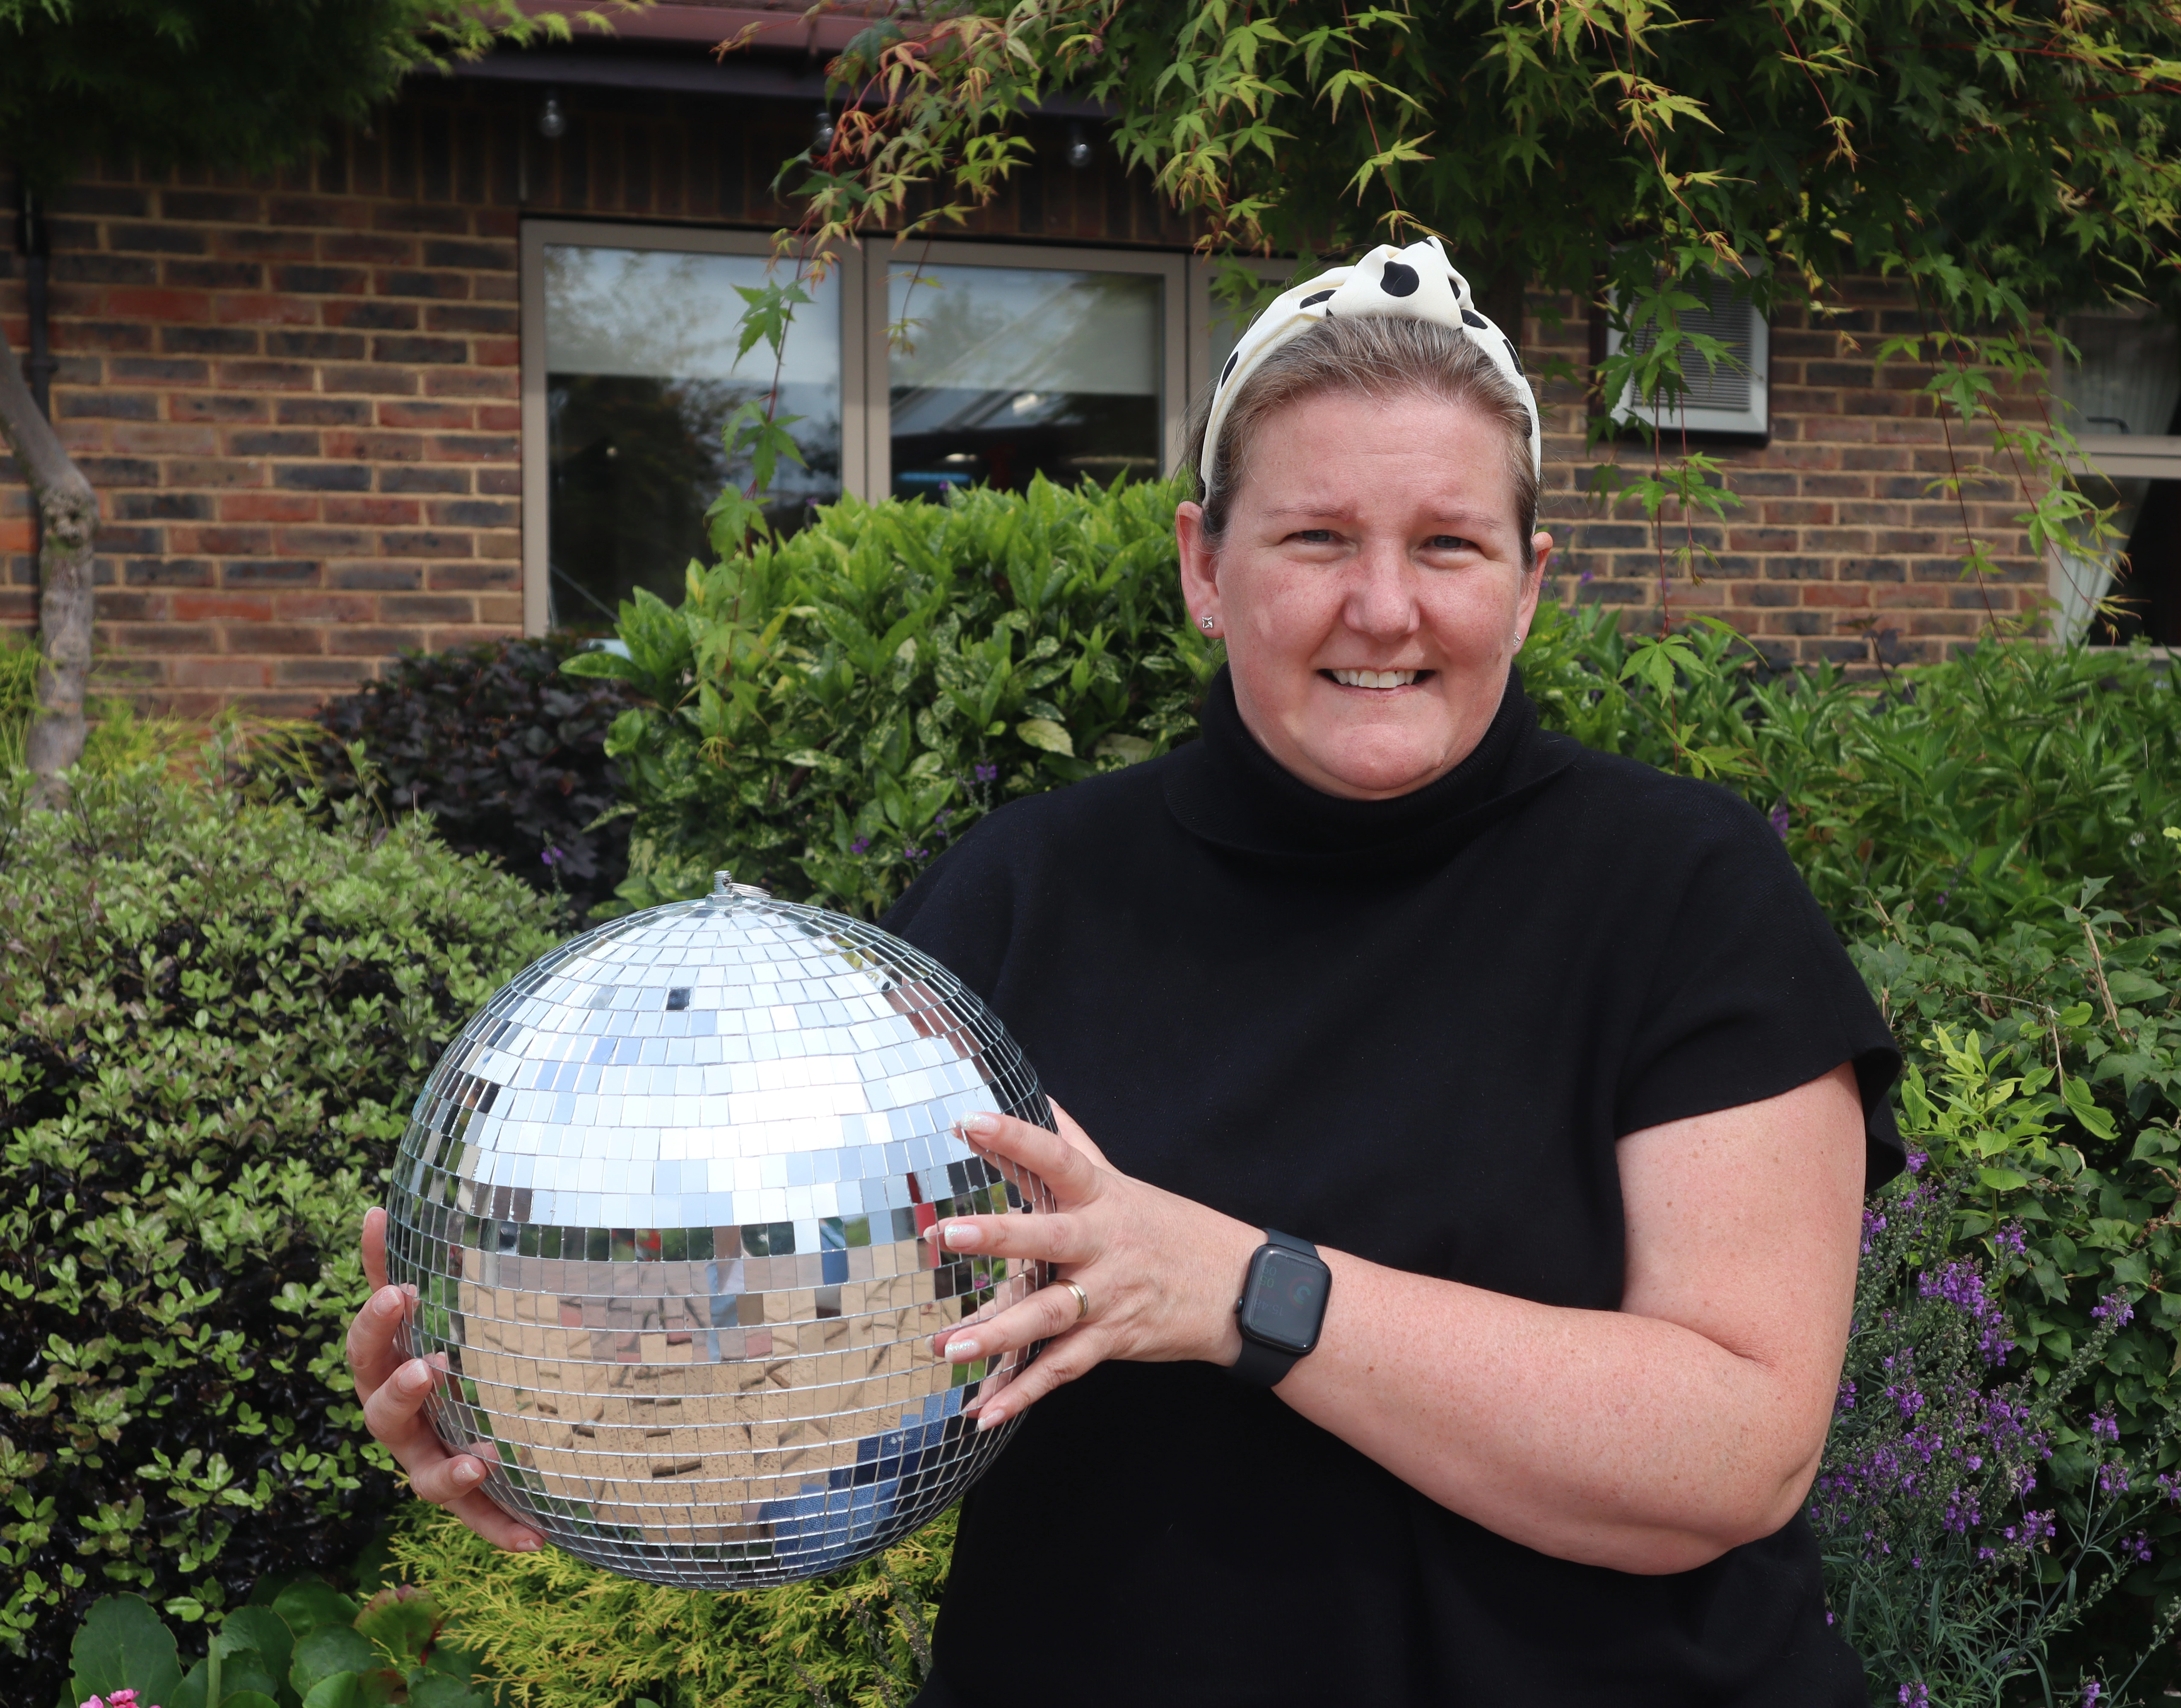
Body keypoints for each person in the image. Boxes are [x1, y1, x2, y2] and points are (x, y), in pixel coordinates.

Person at [347, 236, 1903, 1708]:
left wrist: (1237, 1289)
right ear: (1203, 568)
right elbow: (835, 1340)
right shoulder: (1020, 899)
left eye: (1449, 544)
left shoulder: (1685, 896)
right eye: (1315, 538)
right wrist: (552, 1413)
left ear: (1531, 579)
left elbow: (1733, 1451)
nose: (1385, 606)